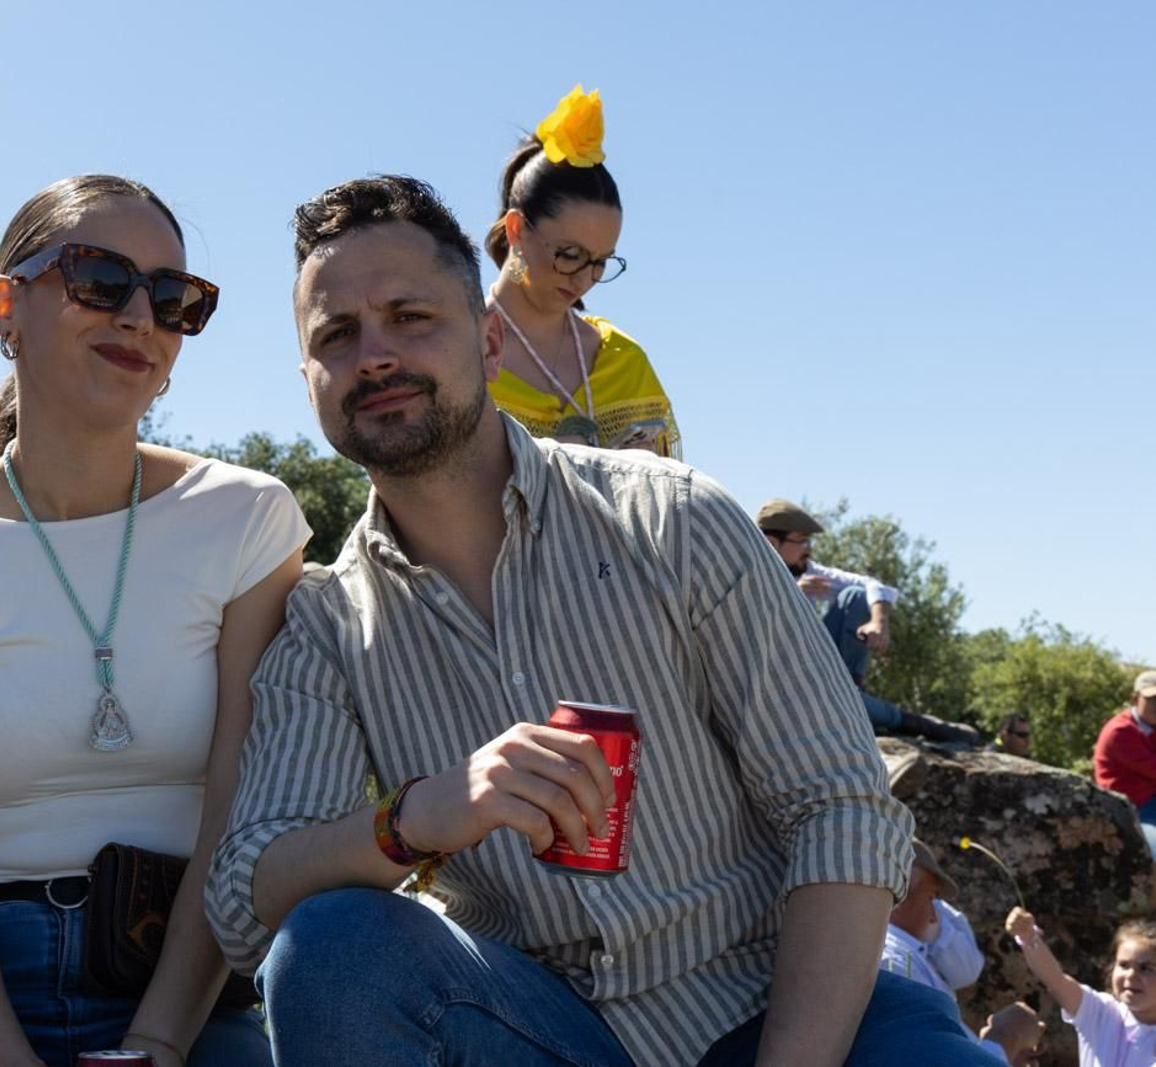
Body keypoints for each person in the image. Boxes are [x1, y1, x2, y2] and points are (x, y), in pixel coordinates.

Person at [206, 175, 990, 1066]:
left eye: (411, 316)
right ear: (307, 380)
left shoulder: (673, 518)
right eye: (337, 336)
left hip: (773, 1005)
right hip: (538, 1029)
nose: (375, 355)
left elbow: (839, 808)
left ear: (491, 336)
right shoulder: (325, 625)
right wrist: (417, 816)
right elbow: (246, 903)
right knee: (336, 945)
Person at [0, 174, 308, 1067]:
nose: (141, 316)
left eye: (174, 299)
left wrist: (158, 1043)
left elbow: (232, 819)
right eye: (101, 278)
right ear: (4, 307)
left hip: (188, 988)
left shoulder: (247, 520)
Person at [483, 85, 681, 456]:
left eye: (601, 261)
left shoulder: (621, 359)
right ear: (516, 229)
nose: (585, 279)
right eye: (570, 254)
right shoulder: (457, 352)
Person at [755, 498, 982, 746]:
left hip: (823, 677)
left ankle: (850, 691)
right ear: (771, 543)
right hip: (784, 686)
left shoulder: (808, 570)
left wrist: (878, 623)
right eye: (802, 541)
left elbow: (873, 586)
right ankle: (913, 722)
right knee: (860, 708)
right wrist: (793, 591)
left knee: (857, 596)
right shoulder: (748, 577)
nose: (808, 548)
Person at [1006, 906, 1156, 1066]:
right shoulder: (1100, 1011)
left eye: (1146, 968)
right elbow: (1056, 980)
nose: (1131, 975)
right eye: (1124, 965)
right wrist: (1028, 937)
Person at [880, 840, 985, 1001]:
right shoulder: (895, 961)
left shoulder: (907, 954)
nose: (934, 917)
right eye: (930, 898)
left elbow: (968, 971)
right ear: (900, 894)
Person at [1092, 671, 1156, 856]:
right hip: (1129, 807)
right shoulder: (1119, 731)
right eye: (1152, 699)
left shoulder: (1150, 726)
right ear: (1135, 699)